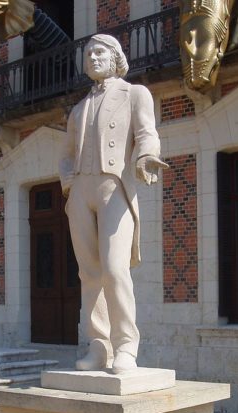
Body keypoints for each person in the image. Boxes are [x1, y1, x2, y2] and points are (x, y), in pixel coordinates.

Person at [59, 34, 167, 374]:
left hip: (114, 186)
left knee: (115, 269)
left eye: (99, 51)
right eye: (88, 52)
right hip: (81, 192)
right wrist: (70, 186)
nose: (92, 56)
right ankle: (98, 346)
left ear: (116, 56)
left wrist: (147, 156)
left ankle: (125, 347)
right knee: (89, 274)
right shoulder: (77, 110)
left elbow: (147, 132)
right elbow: (65, 156)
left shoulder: (135, 94)